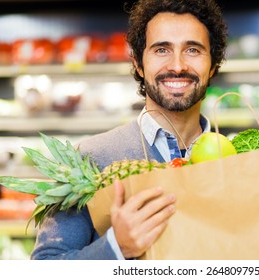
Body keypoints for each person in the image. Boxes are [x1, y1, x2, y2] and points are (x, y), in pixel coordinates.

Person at [31, 0, 228, 260]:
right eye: (161, 50)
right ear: (138, 63)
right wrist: (116, 247)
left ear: (213, 65)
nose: (178, 65)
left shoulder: (239, 160)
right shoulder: (90, 158)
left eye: (192, 50)